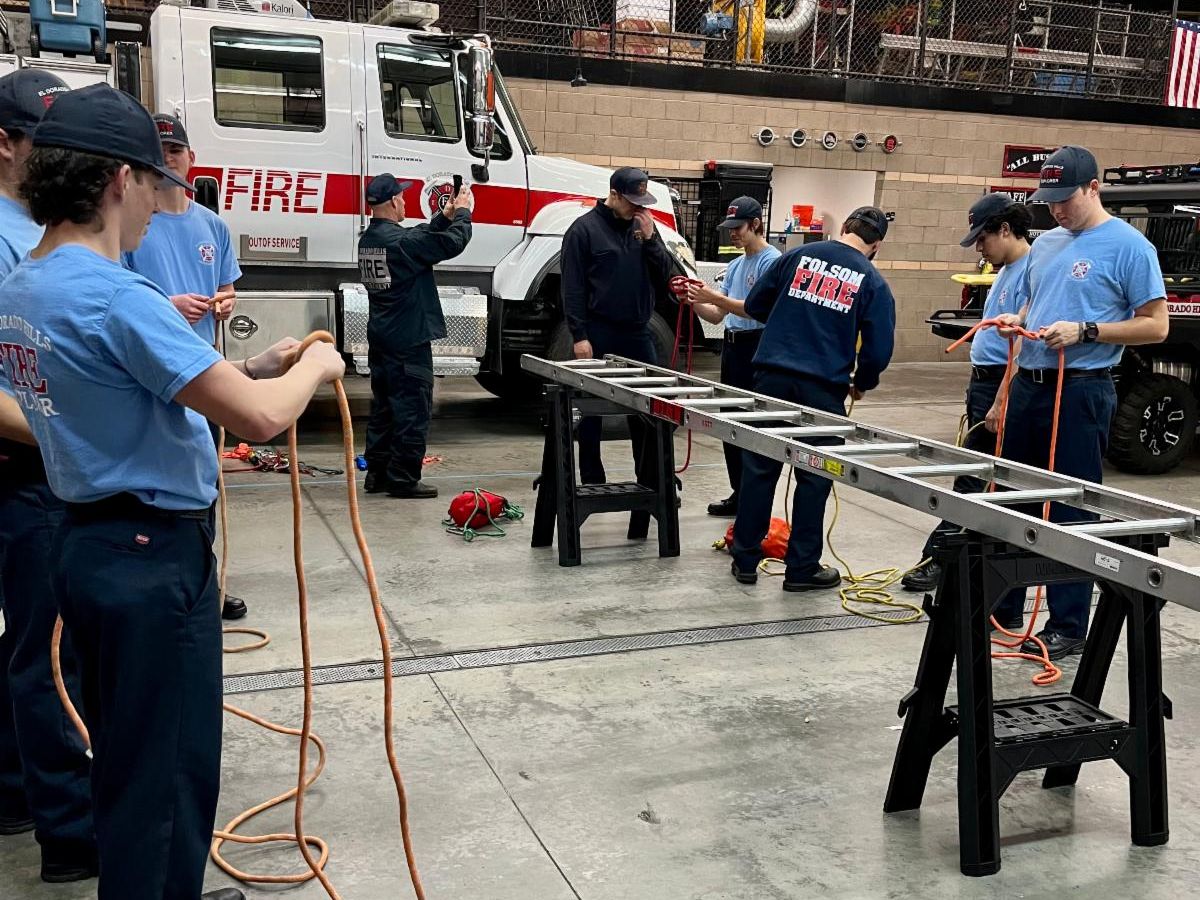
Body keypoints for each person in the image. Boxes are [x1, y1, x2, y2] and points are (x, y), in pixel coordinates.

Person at [0, 82, 344, 900]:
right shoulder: (118, 296)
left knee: (125, 751)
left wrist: (252, 367)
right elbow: (260, 422)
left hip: (85, 542)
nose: (162, 207)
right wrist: (318, 371)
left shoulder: (27, 285)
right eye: (156, 186)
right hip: (152, 557)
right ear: (119, 181)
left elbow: (134, 385)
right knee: (169, 770)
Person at [990, 146, 1167, 659]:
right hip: (1031, 383)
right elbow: (1036, 298)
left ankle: (1068, 622)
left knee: (1070, 507)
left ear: (1093, 188)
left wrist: (1088, 330)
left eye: (1065, 200)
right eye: (1049, 201)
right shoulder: (1046, 243)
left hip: (1082, 387)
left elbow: (1156, 325)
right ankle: (1006, 606)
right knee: (1013, 496)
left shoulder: (1130, 247)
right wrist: (1019, 320)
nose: (1056, 210)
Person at [0, 68, 97, 884]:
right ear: (6, 142)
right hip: (33, 468)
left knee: (34, 644)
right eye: (50, 144)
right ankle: (72, 832)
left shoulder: (29, 227)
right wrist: (80, 435)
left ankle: (18, 792)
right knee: (51, 653)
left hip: (48, 462)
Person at [730, 207, 897, 591]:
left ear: (846, 229)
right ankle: (801, 570)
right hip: (822, 389)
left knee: (758, 468)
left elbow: (756, 305)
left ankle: (745, 560)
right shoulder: (872, 281)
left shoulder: (796, 257)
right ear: (876, 245)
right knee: (815, 476)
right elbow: (878, 350)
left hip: (770, 377)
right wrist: (863, 382)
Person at [124, 113, 248, 621]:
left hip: (203, 370)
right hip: (152, 376)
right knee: (157, 488)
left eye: (176, 150)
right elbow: (121, 293)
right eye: (161, 151)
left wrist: (224, 302)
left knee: (206, 483)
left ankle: (206, 585)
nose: (170, 157)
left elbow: (229, 288)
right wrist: (168, 305)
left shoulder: (212, 225)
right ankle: (157, 585)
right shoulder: (135, 225)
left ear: (191, 158)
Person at [901, 194, 1034, 596]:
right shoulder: (1007, 269)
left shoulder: (1032, 271)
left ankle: (942, 561)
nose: (979, 248)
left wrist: (1001, 399)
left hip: (1000, 385)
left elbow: (1025, 347)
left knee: (977, 483)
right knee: (974, 478)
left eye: (983, 238)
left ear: (1006, 230)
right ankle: (950, 561)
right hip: (984, 382)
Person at [358, 173, 473, 498]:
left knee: (384, 409)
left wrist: (444, 215)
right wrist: (463, 212)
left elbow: (416, 237)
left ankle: (377, 474)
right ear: (394, 201)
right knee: (412, 408)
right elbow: (452, 243)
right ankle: (404, 479)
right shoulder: (402, 244)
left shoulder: (371, 240)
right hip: (408, 340)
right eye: (403, 197)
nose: (407, 201)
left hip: (383, 338)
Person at [562, 166, 674, 485]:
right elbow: (572, 288)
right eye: (632, 201)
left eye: (643, 201)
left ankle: (651, 479)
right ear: (613, 195)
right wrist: (579, 335)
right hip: (598, 331)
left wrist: (652, 241)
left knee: (649, 409)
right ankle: (593, 481)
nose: (639, 208)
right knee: (591, 411)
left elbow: (666, 274)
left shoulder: (645, 228)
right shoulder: (583, 231)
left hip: (638, 333)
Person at [685, 195, 781, 517]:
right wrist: (691, 299)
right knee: (730, 423)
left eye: (738, 228)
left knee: (754, 424)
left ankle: (754, 498)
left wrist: (711, 295)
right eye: (729, 229)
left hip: (757, 346)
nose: (733, 235)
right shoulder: (736, 265)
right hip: (733, 346)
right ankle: (739, 492)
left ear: (756, 224)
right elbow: (716, 315)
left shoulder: (772, 262)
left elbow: (757, 311)